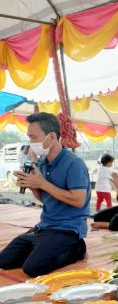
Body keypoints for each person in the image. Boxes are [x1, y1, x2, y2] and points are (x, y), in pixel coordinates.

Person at [0, 113, 89, 277]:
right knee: (4, 260)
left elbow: (79, 200)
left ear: (51, 137)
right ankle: (44, 248)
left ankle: (76, 248)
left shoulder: (74, 164)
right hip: (44, 227)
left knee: (32, 268)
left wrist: (42, 183)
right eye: (29, 137)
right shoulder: (42, 163)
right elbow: (44, 198)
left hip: (67, 229)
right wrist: (32, 185)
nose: (31, 142)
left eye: (33, 137)